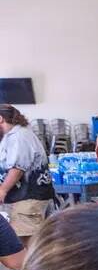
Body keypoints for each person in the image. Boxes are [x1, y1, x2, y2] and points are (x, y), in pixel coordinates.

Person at [0, 105, 54, 245]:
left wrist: (2, 190)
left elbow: (18, 168)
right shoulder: (11, 136)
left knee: (28, 242)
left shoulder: (19, 136)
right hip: (23, 197)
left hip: (28, 198)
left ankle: (34, 267)